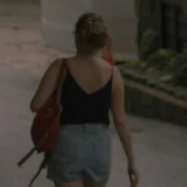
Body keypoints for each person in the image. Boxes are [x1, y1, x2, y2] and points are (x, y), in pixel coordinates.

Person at [30, 12, 138, 187]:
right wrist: (131, 161)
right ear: (101, 41)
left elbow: (35, 105)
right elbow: (120, 121)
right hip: (99, 146)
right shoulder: (113, 74)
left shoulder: (60, 67)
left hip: (67, 144)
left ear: (76, 38)